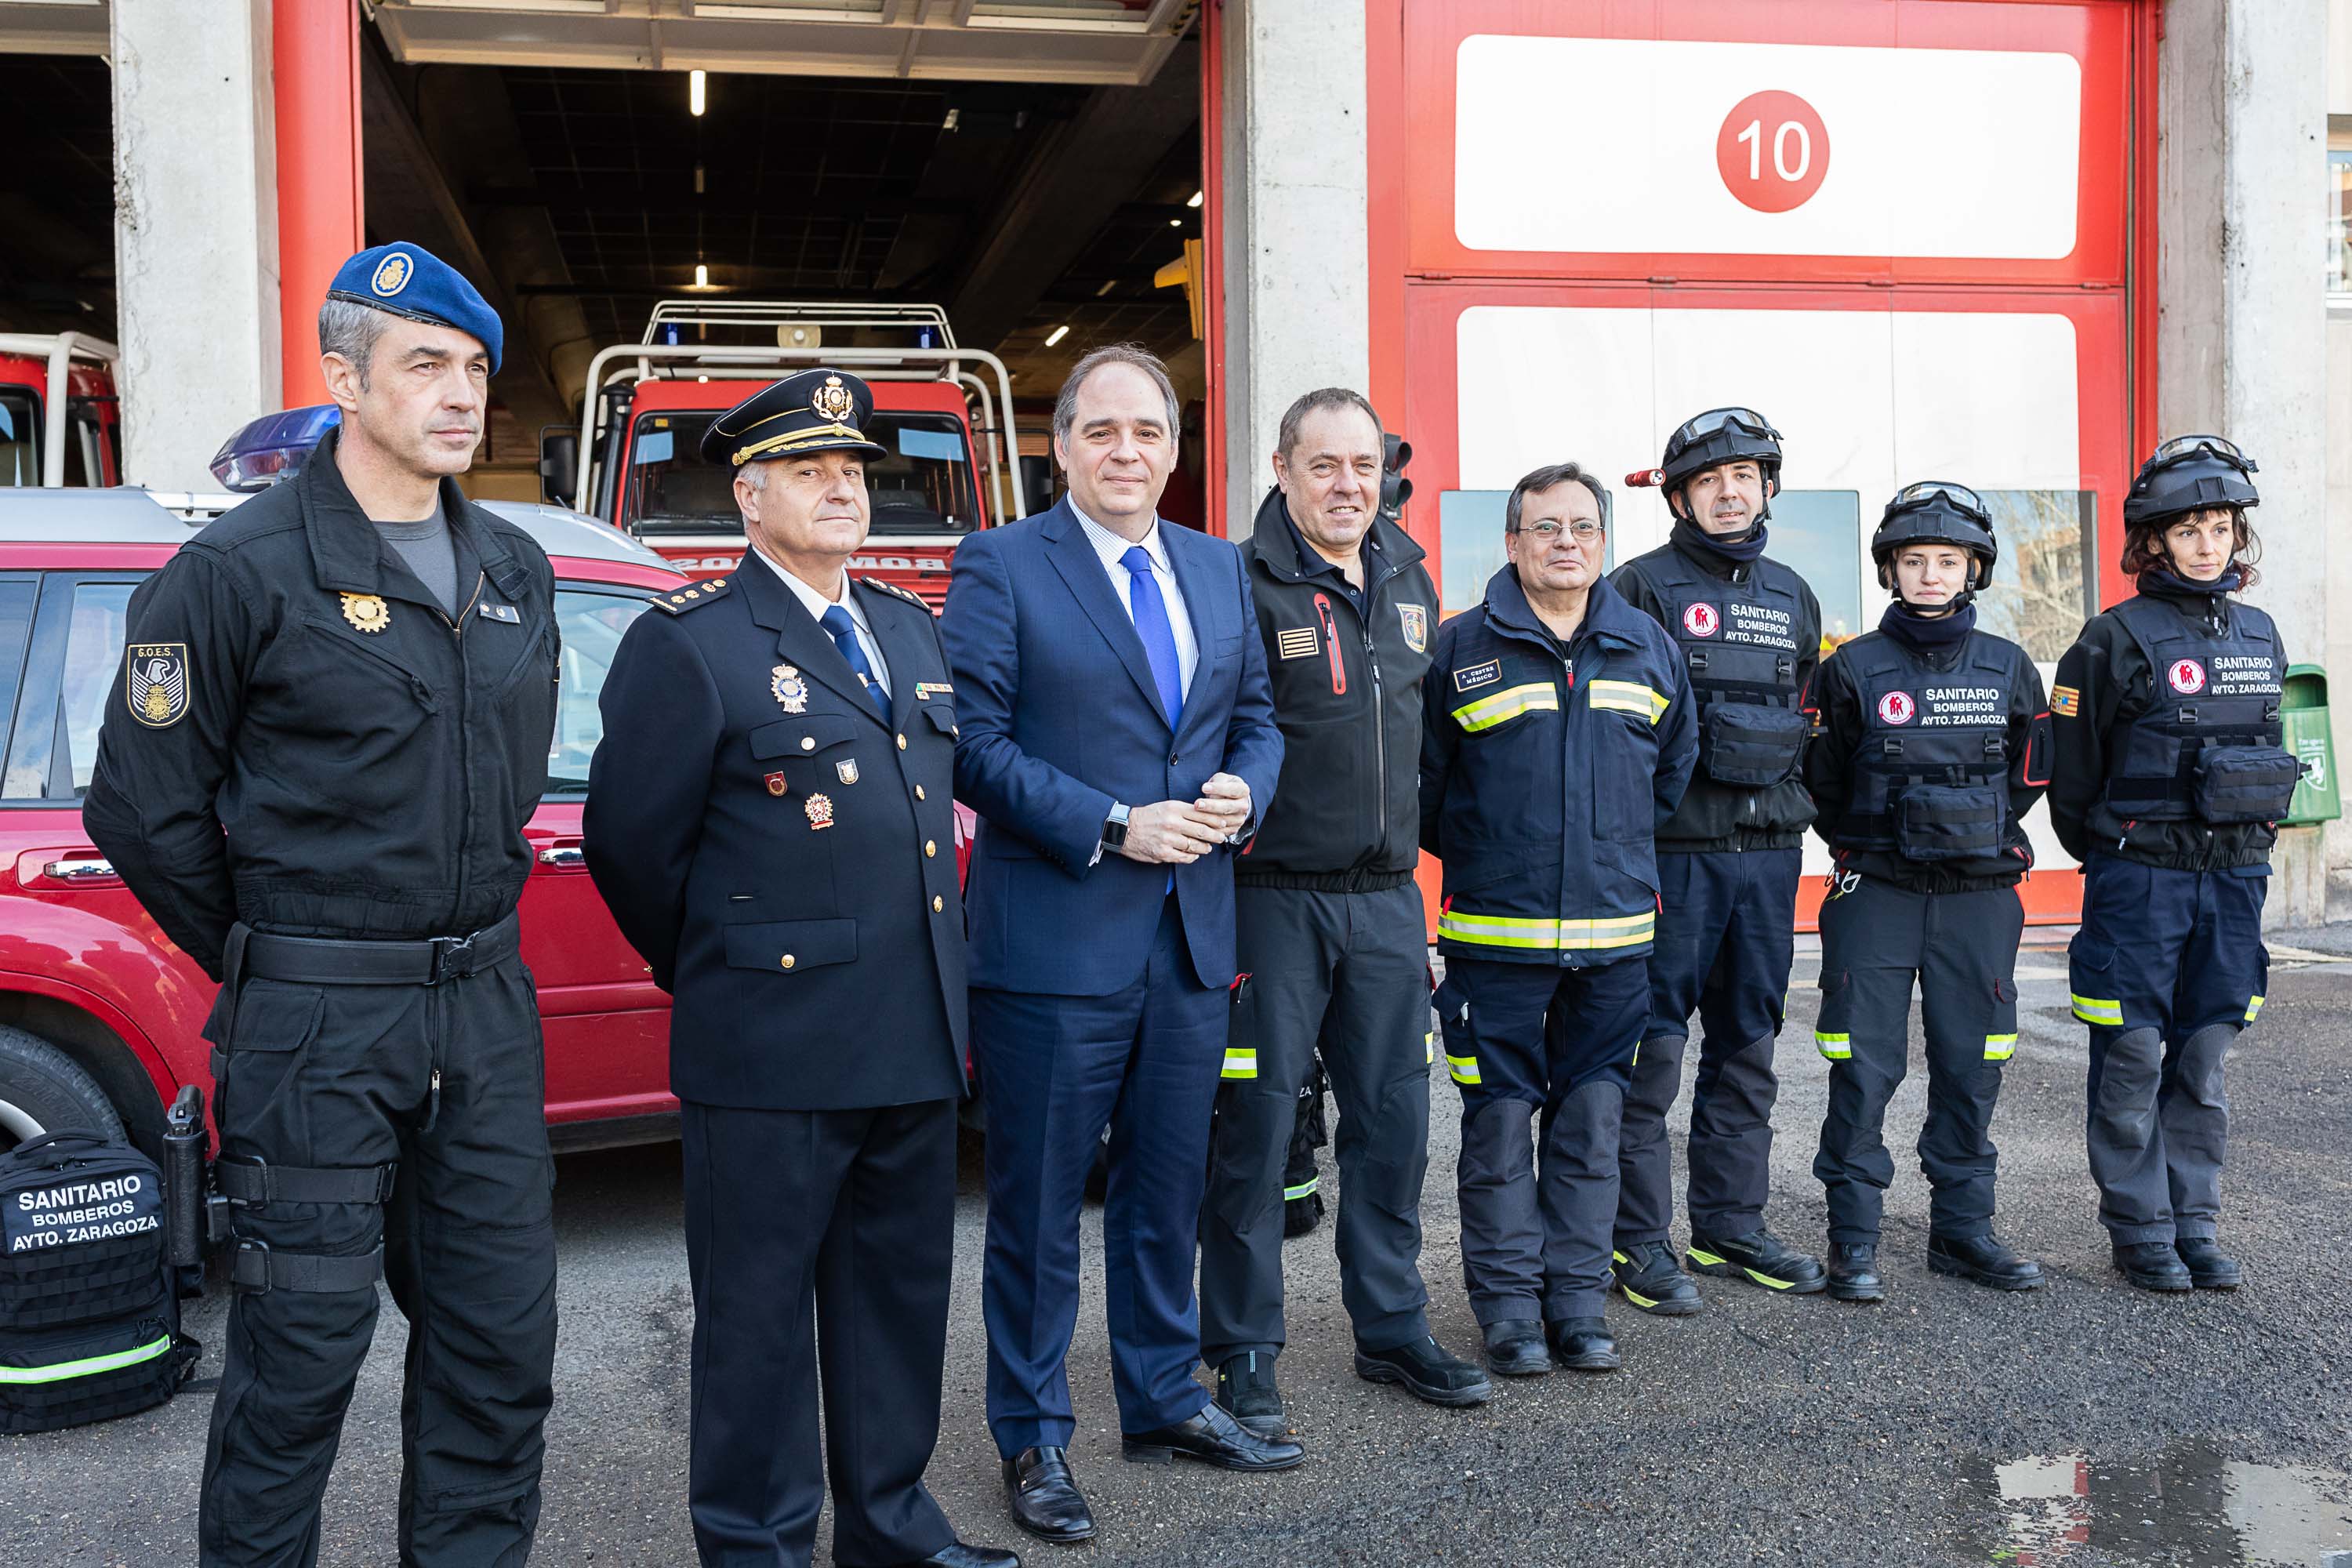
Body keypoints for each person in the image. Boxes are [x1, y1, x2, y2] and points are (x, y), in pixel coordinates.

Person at [83, 242, 560, 1566]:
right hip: (316, 1029)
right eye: (426, 365)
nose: (460, 392)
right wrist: (282, 948)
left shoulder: (516, 567)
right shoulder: (236, 572)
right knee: (298, 1367)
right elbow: (143, 810)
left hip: (483, 1015)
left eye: (474, 368)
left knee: (498, 1354)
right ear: (343, 377)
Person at [584, 369, 1015, 1568]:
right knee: (757, 1326)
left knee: (894, 1308)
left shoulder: (904, 628)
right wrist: (727, 971)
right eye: (813, 470)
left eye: (855, 471)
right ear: (749, 492)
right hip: (770, 1049)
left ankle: (889, 1525)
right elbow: (633, 850)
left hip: (913, 1036)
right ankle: (758, 1543)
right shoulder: (696, 646)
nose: (843, 490)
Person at [940, 343, 1294, 1545]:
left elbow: (1253, 718)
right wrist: (1110, 823)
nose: (1126, 453)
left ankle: (1162, 1396)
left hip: (1191, 938)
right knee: (1038, 1209)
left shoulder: (1214, 567)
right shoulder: (1000, 565)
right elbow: (975, 745)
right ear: (1062, 444)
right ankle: (1033, 1437)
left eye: (1147, 432)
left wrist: (1249, 787)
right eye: (1102, 432)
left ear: (1176, 447)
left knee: (1164, 1190)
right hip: (1054, 943)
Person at [1197, 388, 1489, 1439]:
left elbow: (1433, 751)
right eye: (1323, 466)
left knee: (1395, 1126)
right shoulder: (1238, 580)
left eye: (1362, 467)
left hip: (1382, 905)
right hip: (1269, 901)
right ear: (1281, 470)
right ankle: (1241, 1351)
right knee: (1257, 1133)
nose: (1345, 486)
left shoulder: (1411, 581)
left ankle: (1392, 1327)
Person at [1421, 462, 1697, 1377]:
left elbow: (1670, 776)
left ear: (1603, 542)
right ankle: (1508, 1311)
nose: (1565, 541)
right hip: (1495, 944)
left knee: (1591, 1130)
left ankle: (1577, 1305)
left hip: (1617, 946)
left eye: (1582, 526)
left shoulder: (1649, 649)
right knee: (1498, 1132)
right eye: (1545, 527)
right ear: (1512, 543)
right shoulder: (1461, 651)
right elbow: (1428, 793)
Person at [2048, 436, 2295, 1294]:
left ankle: (2196, 1222)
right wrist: (2121, 854)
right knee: (2132, 1054)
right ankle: (2141, 1228)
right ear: (2152, 541)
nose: (2206, 544)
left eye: (2220, 527)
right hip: (2140, 880)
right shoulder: (2111, 637)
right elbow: (2073, 776)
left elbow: (2270, 750)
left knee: (2202, 1058)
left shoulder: (2261, 632)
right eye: (2186, 530)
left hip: (2232, 879)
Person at [1802, 481, 2051, 1302]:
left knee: (1973, 1062)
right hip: (1877, 889)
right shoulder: (1851, 669)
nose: (1932, 574)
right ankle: (1854, 1238)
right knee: (1861, 1065)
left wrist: (1965, 827)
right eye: (1915, 560)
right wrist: (1888, 835)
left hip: (1979, 893)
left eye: (1949, 560)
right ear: (1891, 570)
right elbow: (1823, 778)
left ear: (1973, 568)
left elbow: (2029, 771)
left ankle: (1963, 1231)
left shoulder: (2009, 664)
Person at [1610, 408, 1826, 1311]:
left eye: (1744, 475)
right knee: (1649, 1056)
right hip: (1674, 861)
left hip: (1769, 858)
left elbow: (1811, 720)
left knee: (1748, 1049)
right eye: (1709, 479)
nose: (1729, 491)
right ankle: (1633, 1241)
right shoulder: (1638, 588)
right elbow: (1615, 734)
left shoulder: (1794, 596)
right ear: (1680, 496)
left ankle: (1729, 1225)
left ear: (1768, 486)